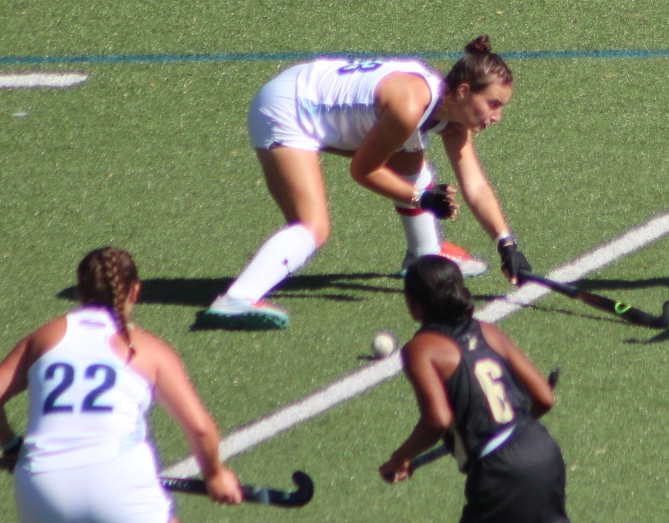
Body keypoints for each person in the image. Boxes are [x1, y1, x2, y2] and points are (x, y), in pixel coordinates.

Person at [199, 38, 533, 330]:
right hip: (288, 108)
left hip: (313, 100)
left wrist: (506, 244)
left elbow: (475, 186)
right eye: (493, 104)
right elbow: (364, 171)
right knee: (313, 226)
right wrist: (422, 198)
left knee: (410, 159)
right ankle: (237, 298)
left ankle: (423, 256)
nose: (497, 116)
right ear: (463, 92)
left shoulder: (450, 116)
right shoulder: (409, 106)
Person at [0, 247, 243, 523]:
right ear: (135, 291)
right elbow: (200, 429)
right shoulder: (148, 348)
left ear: (80, 290)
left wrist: (12, 445)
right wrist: (215, 474)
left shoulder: (44, 337)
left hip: (43, 491)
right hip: (118, 486)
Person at [381, 255, 572, 523]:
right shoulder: (488, 331)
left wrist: (401, 457)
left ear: (414, 304)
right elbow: (544, 398)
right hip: (542, 454)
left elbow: (437, 419)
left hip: (503, 474)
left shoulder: (421, 349)